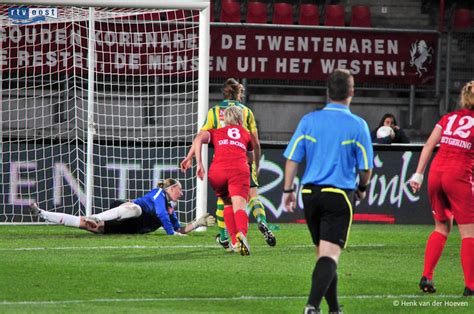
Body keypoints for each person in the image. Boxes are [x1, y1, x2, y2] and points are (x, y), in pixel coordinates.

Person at [282, 69, 374, 314]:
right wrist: (362, 188)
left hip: (309, 195)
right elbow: (366, 167)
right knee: (330, 256)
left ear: (327, 92)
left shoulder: (309, 120)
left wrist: (287, 189)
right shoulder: (358, 125)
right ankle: (312, 306)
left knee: (323, 253)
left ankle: (334, 308)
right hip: (338, 196)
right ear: (351, 92)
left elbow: (292, 159)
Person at [180, 78, 276, 249]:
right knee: (251, 196)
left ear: (224, 92)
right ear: (239, 93)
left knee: (224, 201)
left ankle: (226, 236)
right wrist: (256, 164)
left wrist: (191, 158)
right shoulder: (246, 112)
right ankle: (261, 221)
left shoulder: (213, 112)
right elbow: (255, 143)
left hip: (221, 162)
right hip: (242, 161)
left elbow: (199, 137)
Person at [409, 80, 474, 297]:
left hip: (436, 173)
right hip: (459, 175)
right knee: (469, 233)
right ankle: (471, 286)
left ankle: (427, 275)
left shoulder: (448, 118)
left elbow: (429, 145)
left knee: (441, 228)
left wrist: (418, 173)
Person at [30, 178, 216, 235]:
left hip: (131, 227)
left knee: (88, 225)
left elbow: (179, 229)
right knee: (135, 208)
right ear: (172, 188)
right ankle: (99, 216)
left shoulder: (170, 209)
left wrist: (197, 223)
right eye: (180, 190)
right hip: (127, 211)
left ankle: (42, 213)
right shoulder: (159, 194)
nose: (182, 194)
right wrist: (171, 234)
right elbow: (161, 215)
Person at [193, 106, 254, 255]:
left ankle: (234, 242)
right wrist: (250, 166)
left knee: (227, 204)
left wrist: (199, 163)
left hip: (217, 172)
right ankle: (242, 235)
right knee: (239, 206)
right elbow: (251, 156)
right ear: (240, 119)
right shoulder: (246, 133)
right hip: (238, 169)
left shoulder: (217, 132)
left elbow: (199, 137)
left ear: (225, 120)